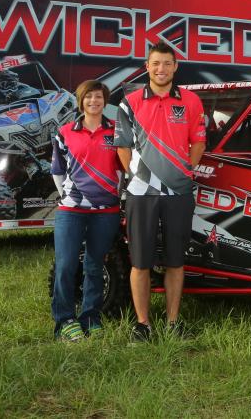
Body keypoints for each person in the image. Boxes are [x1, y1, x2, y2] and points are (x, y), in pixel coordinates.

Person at [114, 42, 206, 341]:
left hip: (178, 194)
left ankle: (173, 323)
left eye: (167, 63)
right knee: (139, 261)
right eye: (156, 63)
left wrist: (184, 172)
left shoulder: (191, 101)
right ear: (147, 66)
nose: (161, 69)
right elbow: (123, 147)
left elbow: (199, 142)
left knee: (175, 261)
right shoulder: (130, 102)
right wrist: (136, 176)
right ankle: (142, 325)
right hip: (141, 194)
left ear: (175, 66)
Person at [50, 80, 122, 341]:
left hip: (106, 211)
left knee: (95, 265)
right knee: (67, 265)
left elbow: (122, 169)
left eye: (99, 97)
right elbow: (57, 171)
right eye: (89, 97)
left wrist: (115, 196)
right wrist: (69, 198)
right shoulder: (65, 131)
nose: (94, 101)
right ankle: (64, 320)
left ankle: (91, 317)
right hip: (71, 210)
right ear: (81, 101)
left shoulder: (116, 131)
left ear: (105, 101)